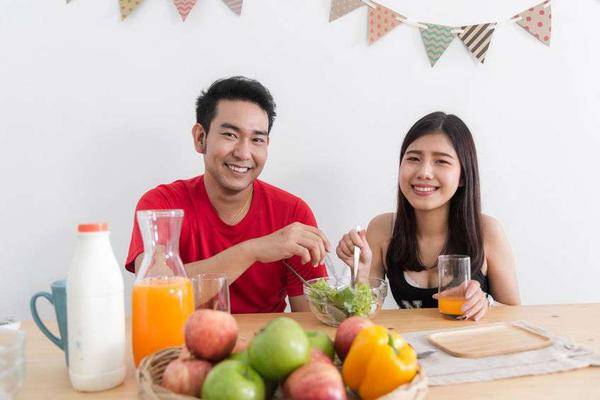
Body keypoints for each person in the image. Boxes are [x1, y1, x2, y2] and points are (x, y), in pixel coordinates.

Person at [125, 76, 330, 313]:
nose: (243, 153)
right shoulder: (162, 205)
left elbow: (313, 319)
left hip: (265, 338)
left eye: (257, 139)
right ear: (200, 138)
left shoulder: (292, 213)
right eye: (230, 135)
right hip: (183, 337)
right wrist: (252, 251)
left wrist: (358, 279)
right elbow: (156, 294)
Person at [336, 112, 520, 321]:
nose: (424, 172)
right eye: (413, 159)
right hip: (409, 342)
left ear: (463, 176)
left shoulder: (487, 231)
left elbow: (515, 312)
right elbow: (363, 315)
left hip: (471, 341)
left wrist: (485, 302)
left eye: (441, 161)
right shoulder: (382, 228)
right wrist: (359, 273)